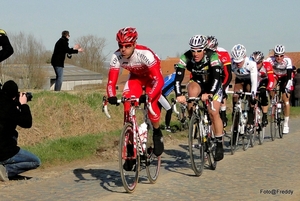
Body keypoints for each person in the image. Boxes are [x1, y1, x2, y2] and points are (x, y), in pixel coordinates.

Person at [106, 27, 164, 170]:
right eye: (120, 46)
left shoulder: (145, 54)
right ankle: (130, 149)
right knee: (127, 104)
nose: (123, 49)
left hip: (152, 79)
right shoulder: (116, 57)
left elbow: (159, 80)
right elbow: (111, 82)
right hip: (136, 79)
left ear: (134, 44)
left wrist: (149, 96)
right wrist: (112, 96)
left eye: (127, 46)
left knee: (151, 105)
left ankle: (157, 132)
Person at [174, 35, 224, 161]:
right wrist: (179, 94)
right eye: (193, 50)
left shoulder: (212, 56)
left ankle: (218, 142)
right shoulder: (185, 57)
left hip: (213, 84)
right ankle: (195, 121)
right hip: (198, 83)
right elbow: (178, 79)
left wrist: (211, 93)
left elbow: (217, 77)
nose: (195, 53)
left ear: (204, 50)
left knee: (213, 112)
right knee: (191, 91)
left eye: (199, 50)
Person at [0, 80, 41, 182]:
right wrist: (23, 105)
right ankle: (5, 171)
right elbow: (27, 123)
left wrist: (15, 102)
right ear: (13, 96)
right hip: (5, 150)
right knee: (35, 161)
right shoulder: (10, 109)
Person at [266, 44, 293, 134]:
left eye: (281, 55)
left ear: (283, 55)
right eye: (277, 55)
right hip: (275, 75)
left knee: (286, 100)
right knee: (271, 85)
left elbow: (289, 74)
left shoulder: (287, 60)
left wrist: (287, 85)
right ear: (274, 55)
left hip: (286, 76)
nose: (279, 57)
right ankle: (273, 101)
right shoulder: (270, 60)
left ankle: (286, 124)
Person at [231, 44, 258, 135]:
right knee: (235, 97)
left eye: (240, 61)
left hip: (250, 81)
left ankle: (250, 122)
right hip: (239, 80)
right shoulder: (231, 63)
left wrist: (253, 94)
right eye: (236, 61)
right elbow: (226, 78)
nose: (238, 63)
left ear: (244, 57)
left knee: (250, 95)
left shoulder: (251, 63)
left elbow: (254, 81)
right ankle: (235, 126)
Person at [207, 36, 232, 129]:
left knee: (222, 94)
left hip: (222, 75)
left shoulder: (223, 53)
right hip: (209, 74)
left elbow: (228, 74)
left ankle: (223, 114)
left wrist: (223, 88)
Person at [250, 51, 274, 126]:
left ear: (262, 61)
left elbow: (271, 79)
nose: (256, 65)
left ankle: (264, 115)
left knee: (263, 92)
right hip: (254, 81)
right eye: (255, 63)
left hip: (264, 80)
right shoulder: (250, 65)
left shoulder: (267, 65)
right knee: (251, 96)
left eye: (258, 63)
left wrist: (269, 88)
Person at [158, 65, 177, 132]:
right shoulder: (175, 77)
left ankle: (153, 127)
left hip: (160, 94)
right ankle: (167, 127)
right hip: (160, 94)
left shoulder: (173, 75)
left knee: (158, 111)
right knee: (169, 109)